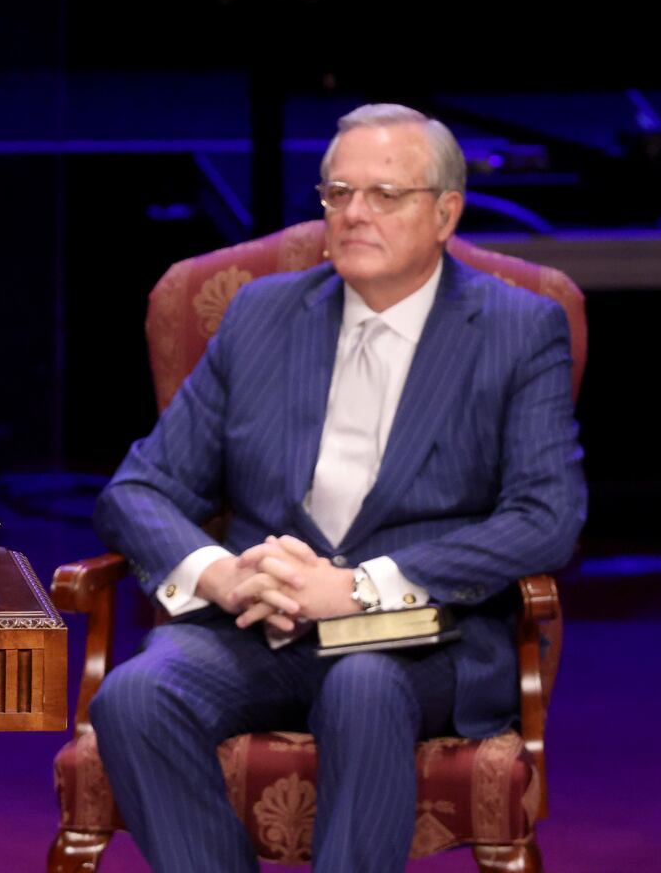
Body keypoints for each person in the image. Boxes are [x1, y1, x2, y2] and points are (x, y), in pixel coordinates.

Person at [88, 104, 586, 872]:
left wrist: (358, 589)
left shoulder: (518, 330)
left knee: (362, 684)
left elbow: (547, 516)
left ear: (445, 213)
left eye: (385, 194)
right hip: (260, 623)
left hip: (425, 634)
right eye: (338, 193)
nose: (354, 213)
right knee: (134, 695)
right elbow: (138, 490)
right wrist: (223, 576)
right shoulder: (261, 315)